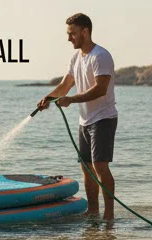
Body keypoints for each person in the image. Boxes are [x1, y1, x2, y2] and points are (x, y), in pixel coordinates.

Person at [36, 13, 118, 220]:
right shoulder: (75, 58)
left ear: (85, 31)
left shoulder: (101, 56)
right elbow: (65, 85)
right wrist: (48, 98)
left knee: (100, 166)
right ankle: (93, 212)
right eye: (68, 34)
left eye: (72, 33)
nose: (69, 38)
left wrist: (71, 100)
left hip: (103, 118)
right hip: (85, 120)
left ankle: (109, 217)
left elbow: (100, 89)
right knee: (87, 169)